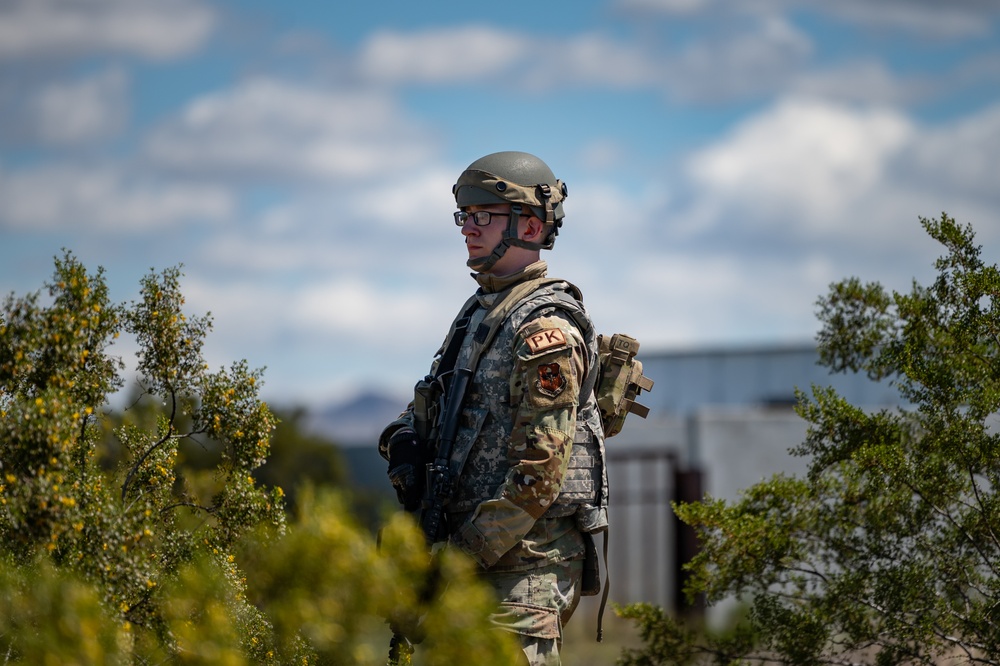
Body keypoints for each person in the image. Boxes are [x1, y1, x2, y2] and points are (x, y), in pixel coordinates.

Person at [379, 151, 608, 665]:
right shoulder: (479, 315)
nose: (468, 228)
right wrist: (400, 440)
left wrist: (456, 560)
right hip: (473, 568)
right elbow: (431, 406)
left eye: (484, 215)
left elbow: (540, 475)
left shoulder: (543, 330)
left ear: (530, 225)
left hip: (520, 573)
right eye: (464, 216)